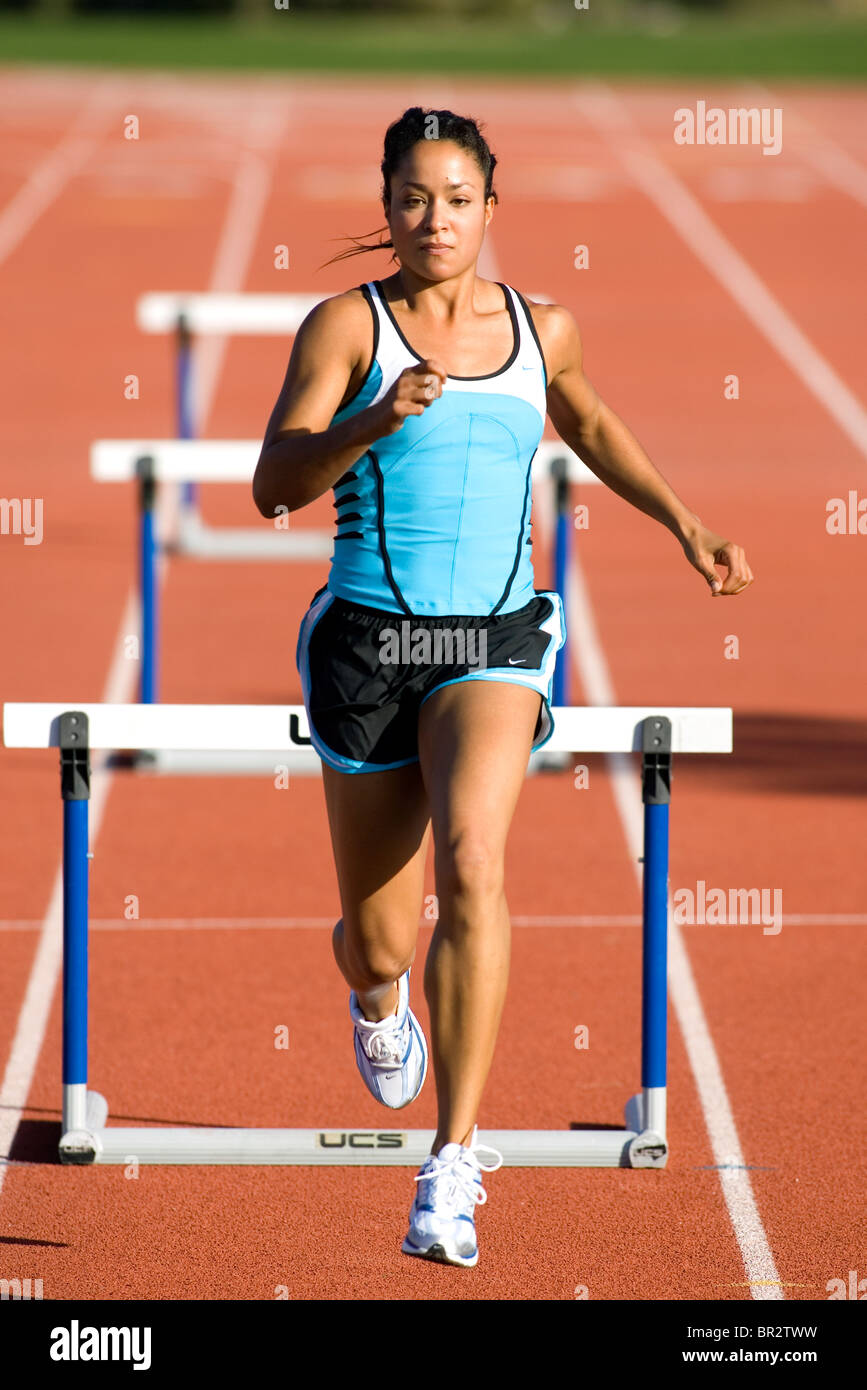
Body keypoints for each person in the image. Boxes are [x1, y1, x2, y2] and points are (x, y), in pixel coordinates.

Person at [253, 107, 754, 1269]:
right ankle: (378, 1000)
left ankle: (451, 1162)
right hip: (371, 643)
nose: (436, 220)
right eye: (415, 198)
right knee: (379, 940)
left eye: (459, 198)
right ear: (385, 206)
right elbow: (273, 482)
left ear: (492, 207)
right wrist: (376, 418)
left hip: (495, 637)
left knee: (475, 856)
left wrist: (687, 523)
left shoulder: (543, 326)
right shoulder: (345, 326)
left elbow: (586, 415)